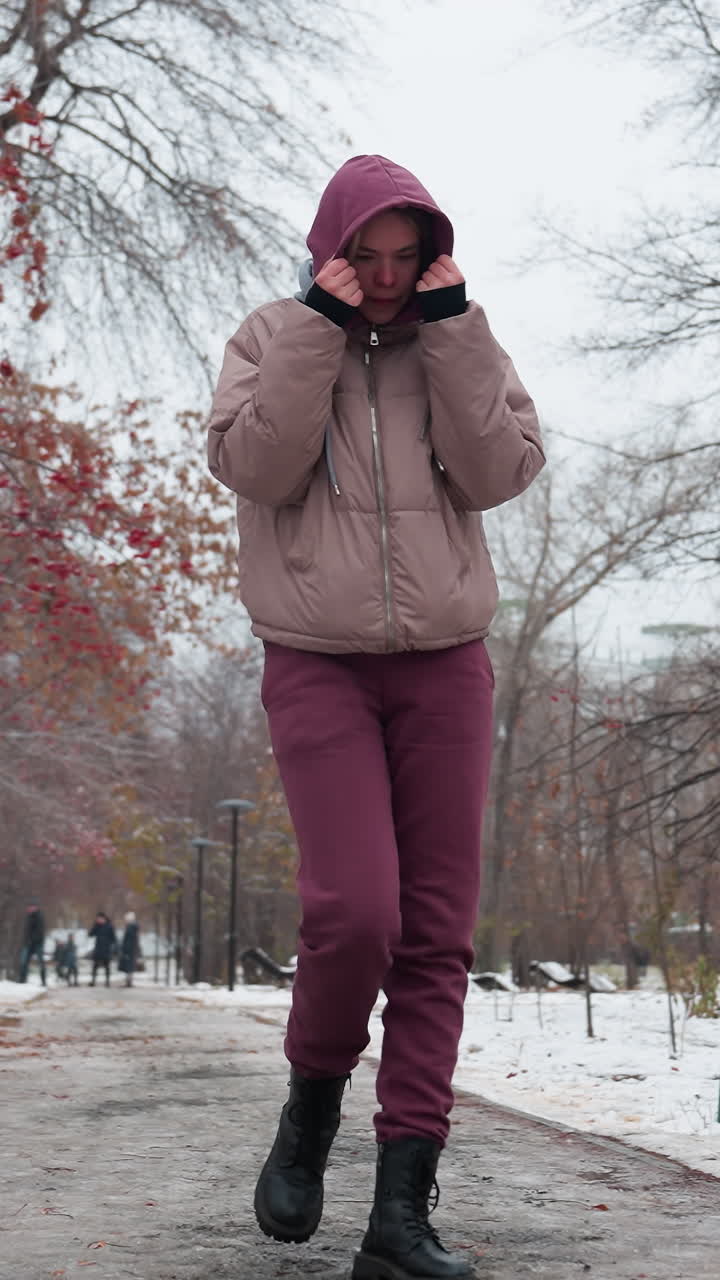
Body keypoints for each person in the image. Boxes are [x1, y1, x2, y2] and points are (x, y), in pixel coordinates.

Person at [208, 154, 545, 1280]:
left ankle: (401, 1216)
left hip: (447, 665)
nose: (390, 278)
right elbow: (254, 462)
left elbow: (502, 470)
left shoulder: (459, 333)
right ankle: (309, 1112)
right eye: (369, 256)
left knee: (439, 933)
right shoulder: (270, 334)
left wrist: (450, 334)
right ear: (331, 250)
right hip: (317, 661)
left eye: (409, 257)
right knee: (357, 912)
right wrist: (317, 327)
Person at [19, 904, 46, 986]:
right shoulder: (28, 917)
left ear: (35, 908)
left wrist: (32, 940)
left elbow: (40, 932)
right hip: (28, 944)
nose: (28, 909)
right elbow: (26, 931)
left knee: (40, 962)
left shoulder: (39, 917)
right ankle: (22, 980)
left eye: (30, 907)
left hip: (37, 944)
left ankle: (43, 981)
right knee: (24, 962)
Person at [89, 911, 116, 987]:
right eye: (97, 919)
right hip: (98, 949)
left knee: (107, 967)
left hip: (106, 949)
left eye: (99, 918)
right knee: (95, 966)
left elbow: (113, 938)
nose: (98, 920)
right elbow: (90, 934)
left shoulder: (109, 926)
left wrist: (111, 947)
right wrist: (95, 925)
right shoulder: (97, 926)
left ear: (103, 918)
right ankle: (93, 981)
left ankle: (107, 982)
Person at [118, 911, 141, 987]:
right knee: (129, 967)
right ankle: (128, 982)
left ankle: (129, 982)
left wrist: (125, 950)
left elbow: (129, 941)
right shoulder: (132, 927)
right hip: (131, 950)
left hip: (130, 950)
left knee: (129, 967)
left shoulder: (131, 928)